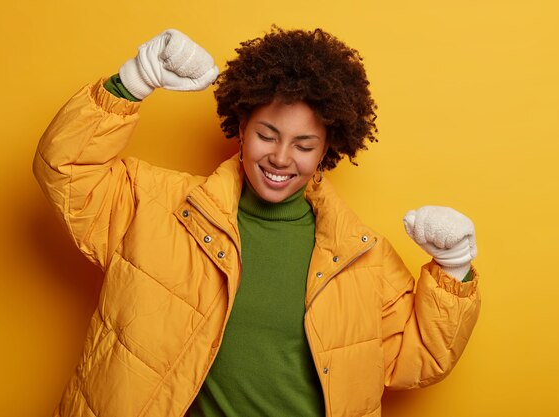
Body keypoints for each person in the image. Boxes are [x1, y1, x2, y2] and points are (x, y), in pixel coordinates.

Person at [34, 27, 480, 417]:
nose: (281, 158)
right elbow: (66, 168)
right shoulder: (155, 206)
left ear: (328, 149)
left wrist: (455, 267)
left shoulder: (362, 255)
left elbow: (417, 358)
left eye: (304, 145)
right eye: (267, 135)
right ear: (242, 125)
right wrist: (134, 79)